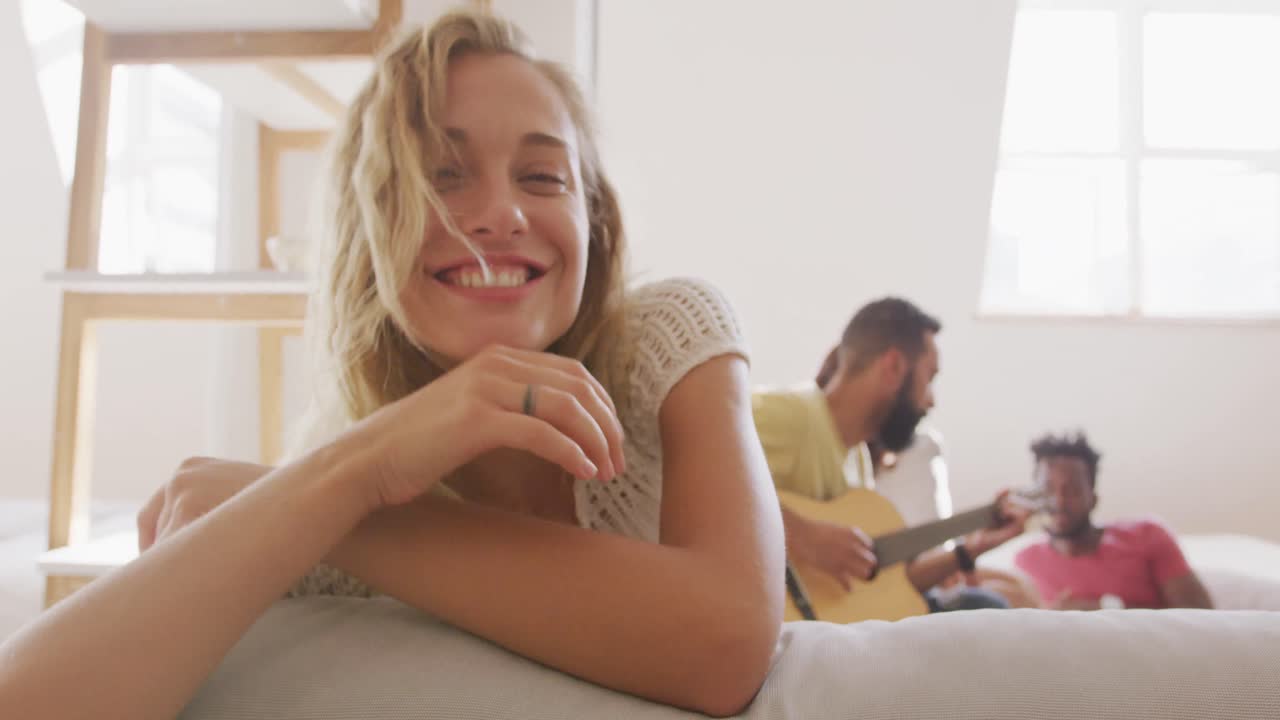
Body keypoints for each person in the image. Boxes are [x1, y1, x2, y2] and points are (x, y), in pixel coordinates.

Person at [0, 11, 784, 718]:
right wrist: (345, 481)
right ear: (367, 230)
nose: (502, 214)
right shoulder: (331, 485)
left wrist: (360, 519)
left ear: (594, 221)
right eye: (441, 174)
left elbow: (728, 645)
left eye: (543, 177)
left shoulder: (667, 339)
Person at [753, 298, 1028, 614]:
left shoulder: (856, 460)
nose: (931, 401)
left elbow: (883, 587)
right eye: (929, 378)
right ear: (894, 366)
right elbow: (689, 474)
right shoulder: (790, 416)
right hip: (753, 621)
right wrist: (804, 537)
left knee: (981, 606)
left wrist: (971, 549)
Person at [1015, 432, 1212, 610]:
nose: (1059, 500)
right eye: (1047, 490)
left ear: (1093, 499)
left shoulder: (1147, 535)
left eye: (1073, 490)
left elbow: (1200, 614)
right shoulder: (1025, 562)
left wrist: (1102, 608)